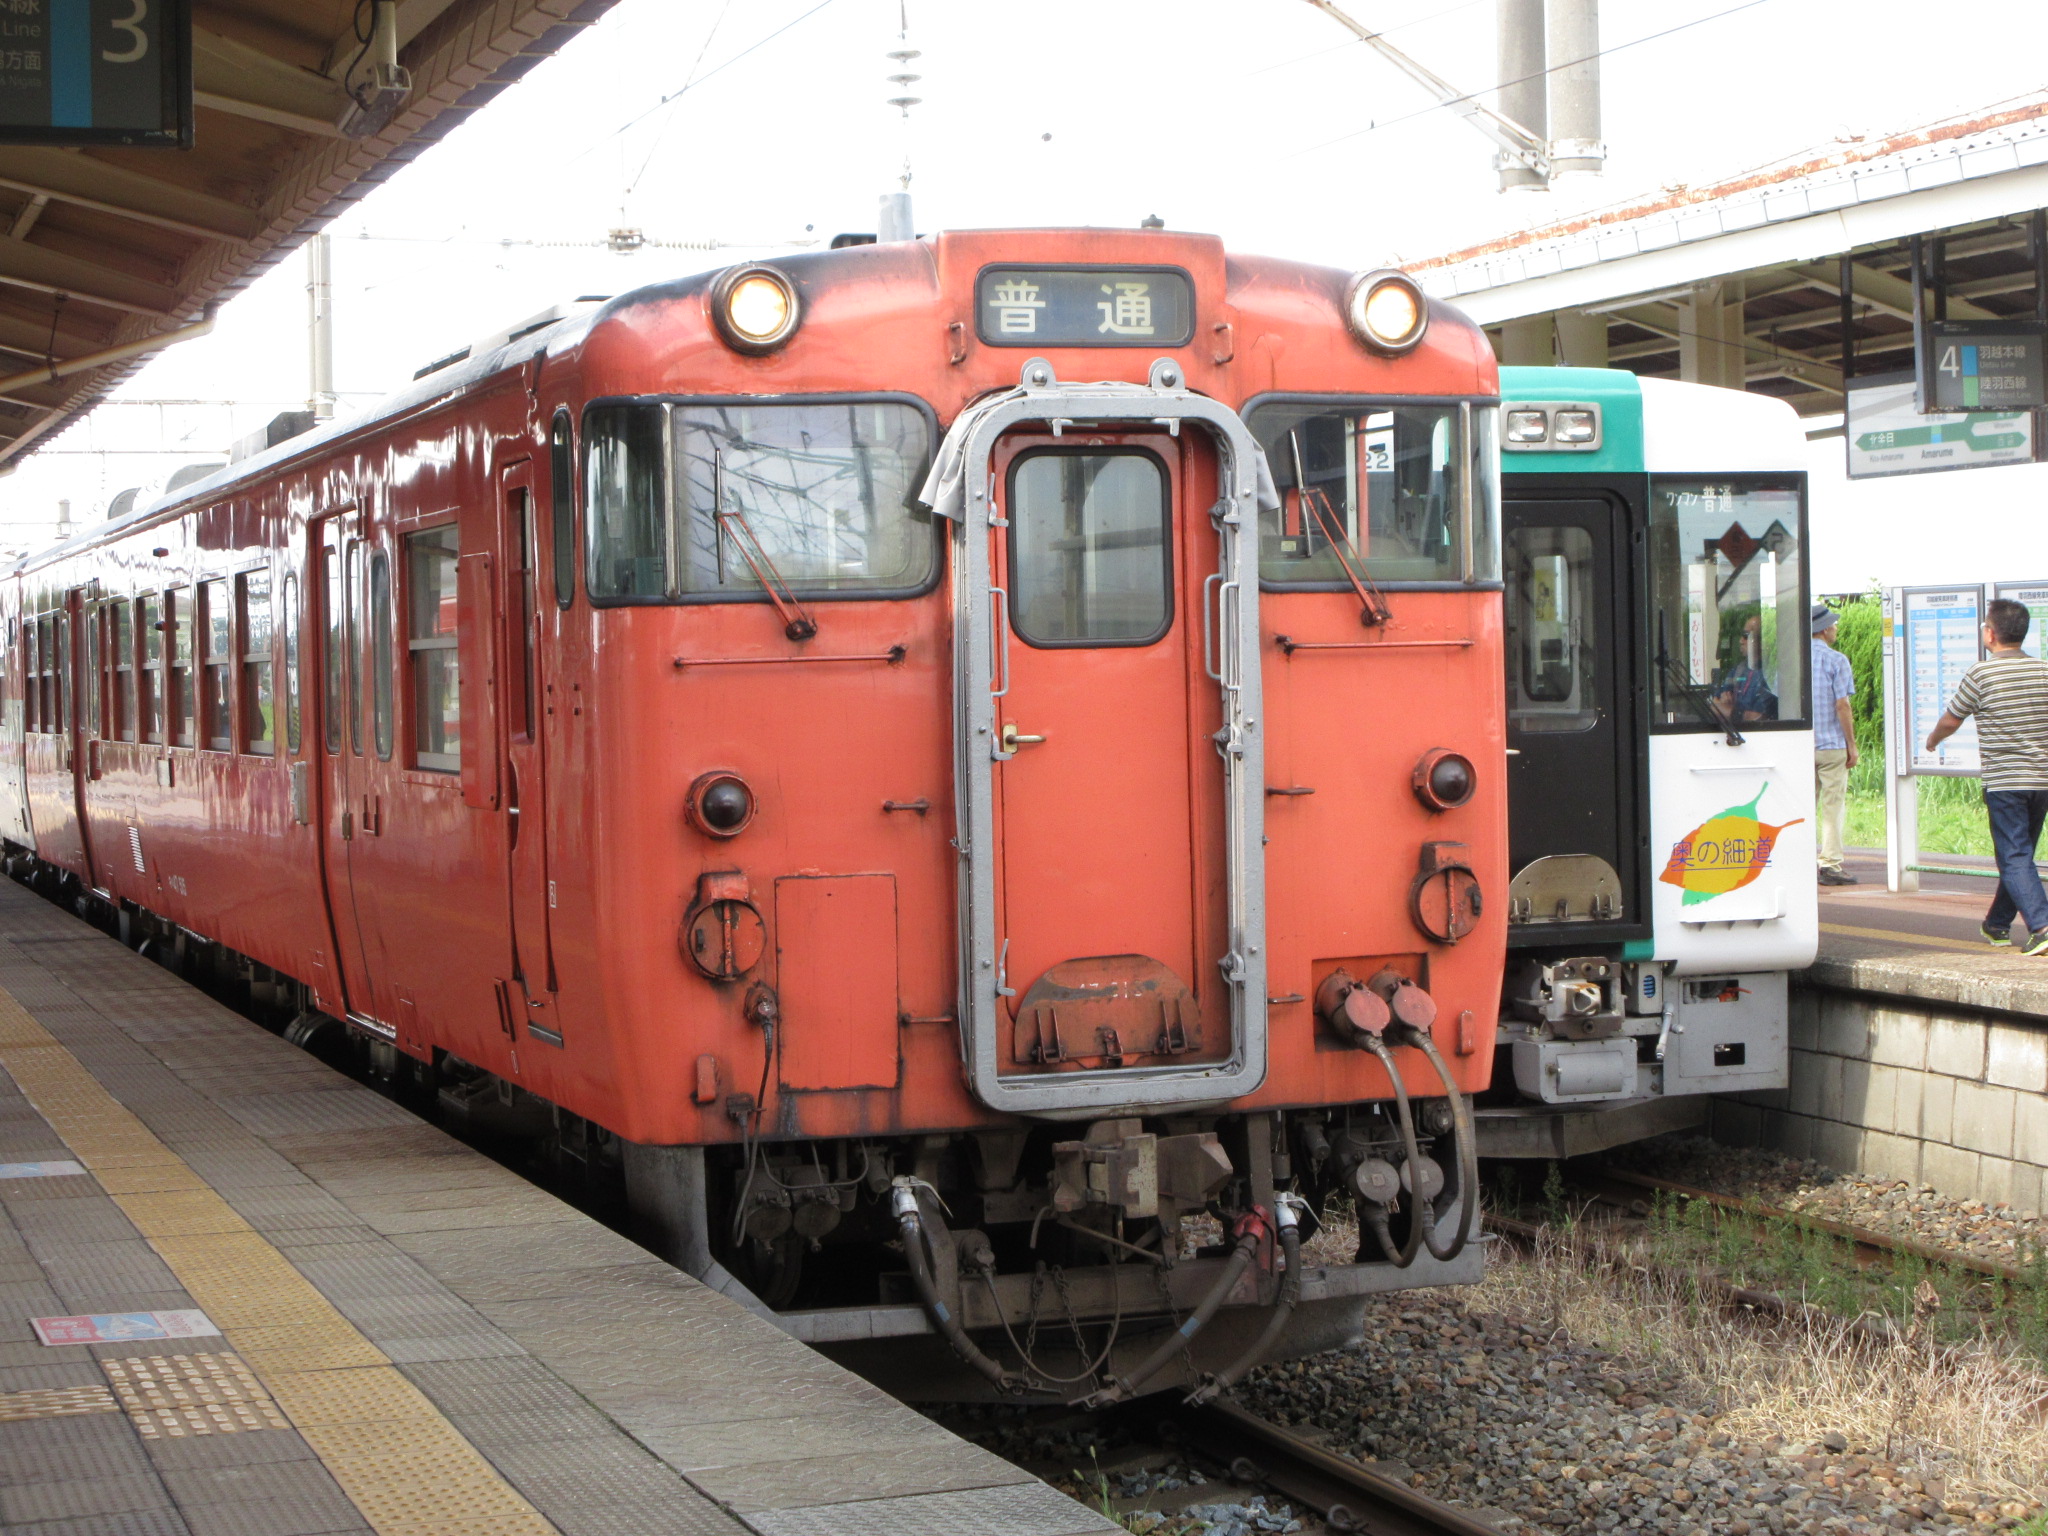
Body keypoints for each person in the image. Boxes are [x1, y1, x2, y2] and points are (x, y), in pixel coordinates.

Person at [1924, 597, 2048, 954]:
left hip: (2005, 782)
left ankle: (2042, 926)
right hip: (2041, 780)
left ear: (1990, 634)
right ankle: (1996, 924)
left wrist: (1933, 740)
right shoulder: (2043, 670)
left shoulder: (1981, 673)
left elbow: (1952, 719)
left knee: (2014, 856)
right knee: (2019, 854)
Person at [1810, 605, 1859, 886]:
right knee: (1832, 807)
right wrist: (1851, 744)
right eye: (1834, 625)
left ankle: (1798, 860)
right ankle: (1829, 864)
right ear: (1825, 629)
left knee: (1803, 806)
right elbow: (1843, 705)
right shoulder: (1837, 660)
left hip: (1800, 745)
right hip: (1831, 745)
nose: (1836, 629)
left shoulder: (1794, 660)